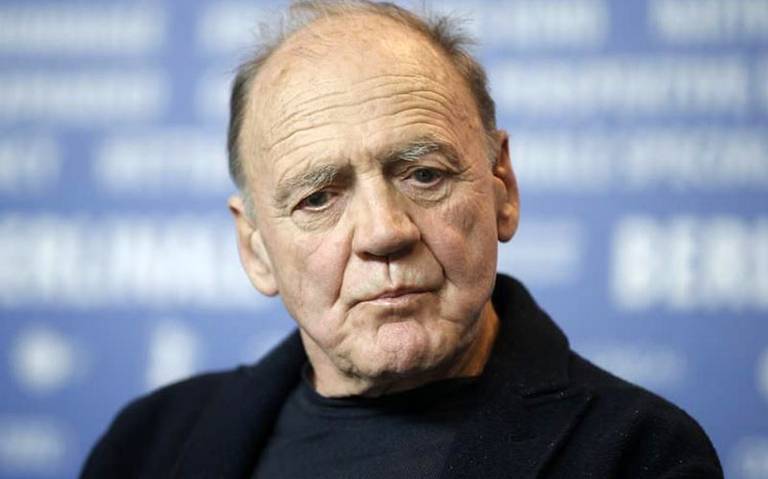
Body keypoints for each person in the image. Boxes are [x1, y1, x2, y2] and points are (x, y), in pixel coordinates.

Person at [81, 1, 723, 477]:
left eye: (424, 175)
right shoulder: (146, 447)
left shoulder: (639, 454)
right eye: (318, 198)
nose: (385, 232)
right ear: (255, 249)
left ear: (502, 188)